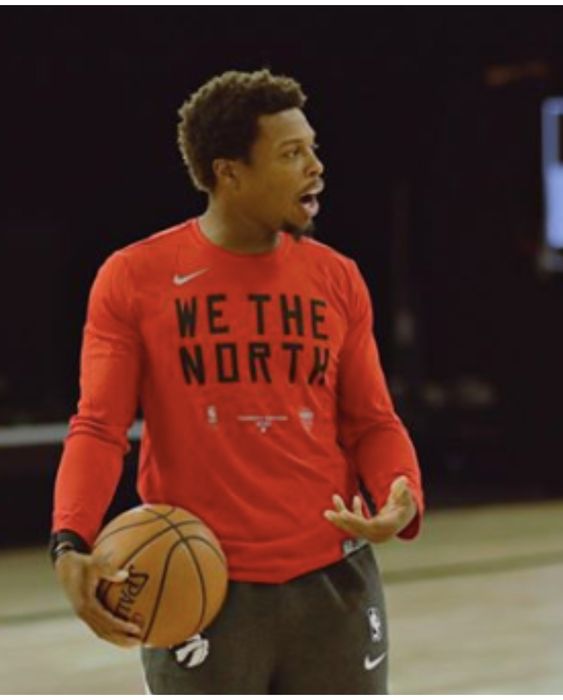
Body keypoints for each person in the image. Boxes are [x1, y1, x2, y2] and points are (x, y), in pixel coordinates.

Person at [49, 68, 425, 693]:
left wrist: (399, 491)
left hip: (334, 578)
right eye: (291, 153)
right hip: (200, 587)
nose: (316, 167)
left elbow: (372, 421)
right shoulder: (134, 277)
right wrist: (70, 539)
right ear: (230, 173)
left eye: (313, 148)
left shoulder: (338, 279)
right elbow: (99, 426)